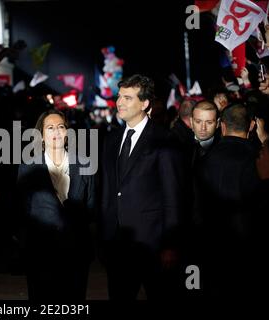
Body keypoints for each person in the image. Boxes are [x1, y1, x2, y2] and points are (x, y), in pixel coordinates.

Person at [100, 74, 183, 300]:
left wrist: (170, 244)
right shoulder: (111, 139)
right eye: (119, 97)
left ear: (144, 103)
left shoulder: (164, 138)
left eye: (127, 98)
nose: (119, 102)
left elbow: (172, 196)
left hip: (153, 247)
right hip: (117, 245)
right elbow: (109, 191)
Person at [17, 109, 96, 301]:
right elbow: (22, 211)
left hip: (76, 253)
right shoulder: (28, 166)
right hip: (40, 253)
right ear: (41, 135)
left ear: (68, 133)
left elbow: (91, 207)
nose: (57, 132)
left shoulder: (85, 164)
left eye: (61, 127)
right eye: (50, 128)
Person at [195, 103, 267, 299]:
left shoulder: (204, 160)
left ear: (222, 126)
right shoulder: (258, 159)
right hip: (250, 252)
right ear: (252, 126)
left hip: (212, 251)